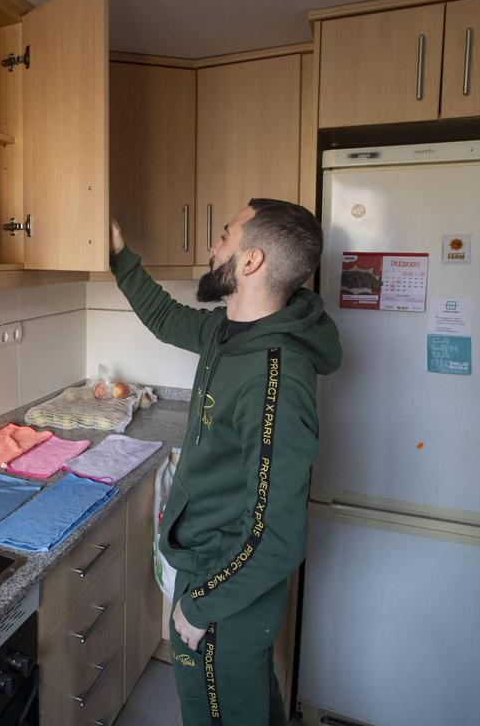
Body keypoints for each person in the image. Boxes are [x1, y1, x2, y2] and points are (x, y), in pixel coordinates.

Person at [109, 199, 341, 725]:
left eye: (224, 235)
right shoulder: (229, 332)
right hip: (208, 565)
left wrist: (199, 605)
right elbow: (167, 318)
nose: (213, 246)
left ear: (252, 261)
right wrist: (120, 255)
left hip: (224, 583)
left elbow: (277, 535)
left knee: (220, 713)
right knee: (248, 706)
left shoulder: (276, 376)